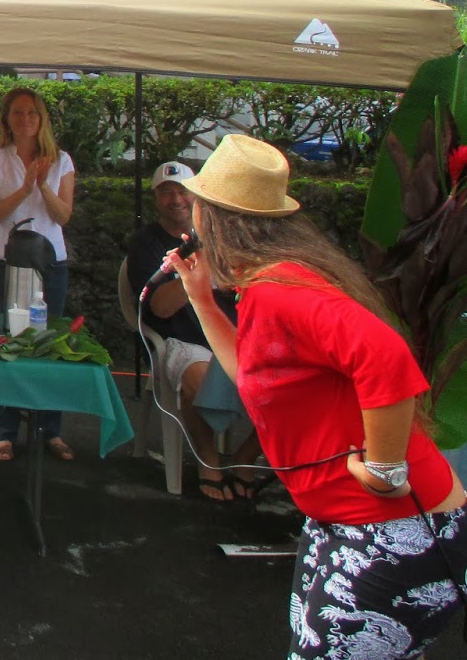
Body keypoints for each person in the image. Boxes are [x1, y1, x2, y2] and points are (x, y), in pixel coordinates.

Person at [169, 134, 467, 659]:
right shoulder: (266, 286)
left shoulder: (280, 291)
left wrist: (385, 469)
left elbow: (386, 356)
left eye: (197, 211)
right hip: (348, 524)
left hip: (390, 530)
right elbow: (253, 378)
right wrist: (201, 299)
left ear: (215, 222)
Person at [127, 159, 258, 500]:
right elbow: (159, 306)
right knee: (198, 377)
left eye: (182, 191)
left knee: (293, 379)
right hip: (181, 341)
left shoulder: (225, 240)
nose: (176, 200)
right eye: (166, 192)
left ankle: (246, 458)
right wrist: (193, 273)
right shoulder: (146, 243)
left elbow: (247, 286)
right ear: (156, 198)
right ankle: (209, 460)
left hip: (238, 336)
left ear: (197, 197)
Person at [0, 87, 77, 463]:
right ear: (7, 119)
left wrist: (42, 184)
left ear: (42, 118)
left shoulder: (61, 160)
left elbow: (63, 215)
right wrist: (23, 188)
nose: (25, 119)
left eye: (32, 113)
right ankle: (4, 431)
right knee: (9, 341)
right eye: (18, 113)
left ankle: (50, 429)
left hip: (50, 262)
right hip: (5, 260)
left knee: (49, 342)